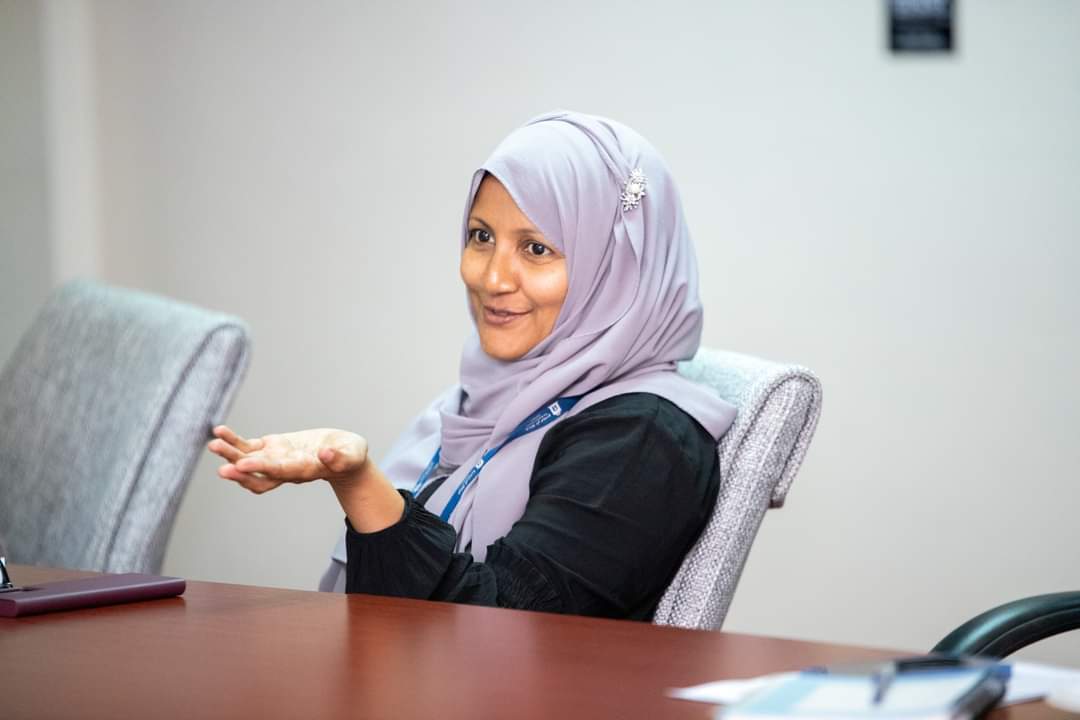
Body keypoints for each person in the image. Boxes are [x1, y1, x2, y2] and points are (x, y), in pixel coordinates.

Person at [208, 110, 736, 620]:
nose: (492, 278)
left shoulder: (640, 440)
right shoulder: (482, 399)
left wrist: (359, 483)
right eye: (481, 237)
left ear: (615, 267)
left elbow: (498, 631)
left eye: (536, 248)